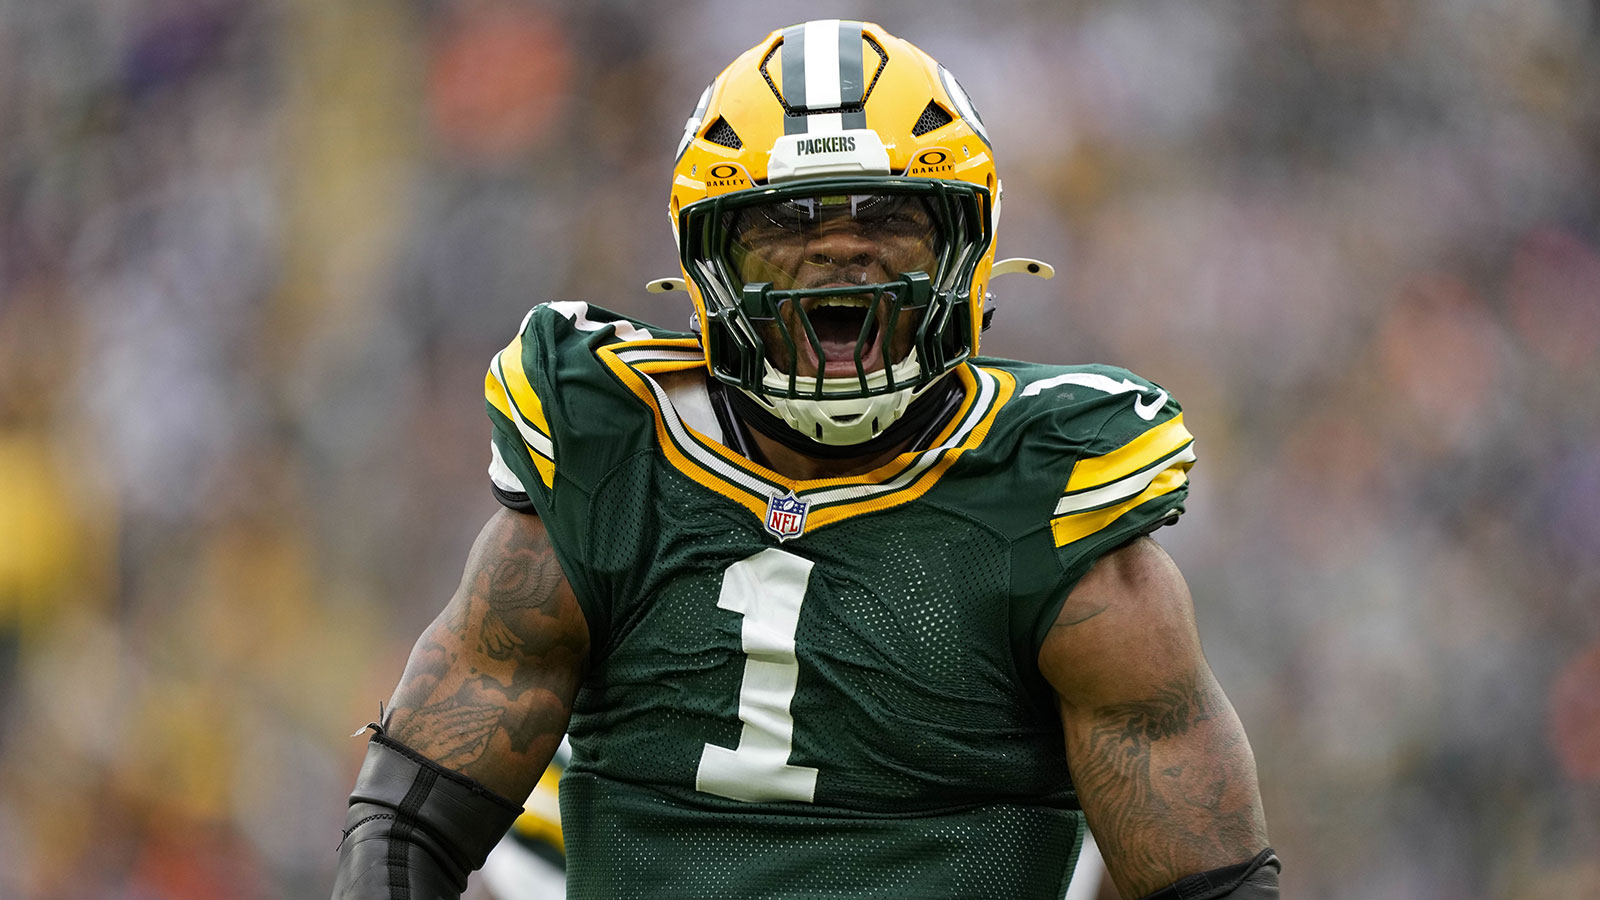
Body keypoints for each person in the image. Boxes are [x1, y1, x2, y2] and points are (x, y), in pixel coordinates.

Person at [332, 19, 1278, 900]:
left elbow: (1210, 885)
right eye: (786, 224)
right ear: (707, 258)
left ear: (968, 244)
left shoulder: (1056, 500)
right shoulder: (610, 457)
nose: (840, 254)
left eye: (888, 217)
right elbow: (411, 823)